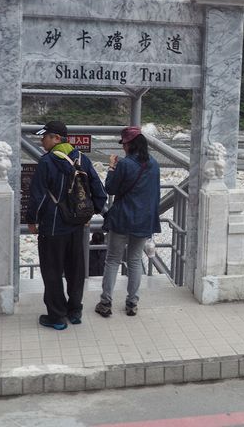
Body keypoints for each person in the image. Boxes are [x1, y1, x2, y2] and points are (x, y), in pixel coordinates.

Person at [26, 121, 107, 330]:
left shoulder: (47, 162)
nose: (41, 141)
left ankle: (57, 317)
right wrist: (92, 212)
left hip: (53, 227)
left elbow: (39, 196)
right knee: (75, 270)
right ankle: (75, 312)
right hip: (77, 225)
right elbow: (98, 191)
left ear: (56, 138)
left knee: (52, 271)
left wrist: (32, 219)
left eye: (44, 137)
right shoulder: (82, 159)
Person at [95, 126, 161, 318]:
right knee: (134, 261)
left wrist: (112, 167)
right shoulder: (155, 164)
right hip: (143, 221)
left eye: (123, 144)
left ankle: (106, 302)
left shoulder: (124, 164)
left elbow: (111, 188)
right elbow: (155, 195)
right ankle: (132, 303)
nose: (123, 147)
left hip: (123, 218)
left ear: (130, 144)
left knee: (113, 260)